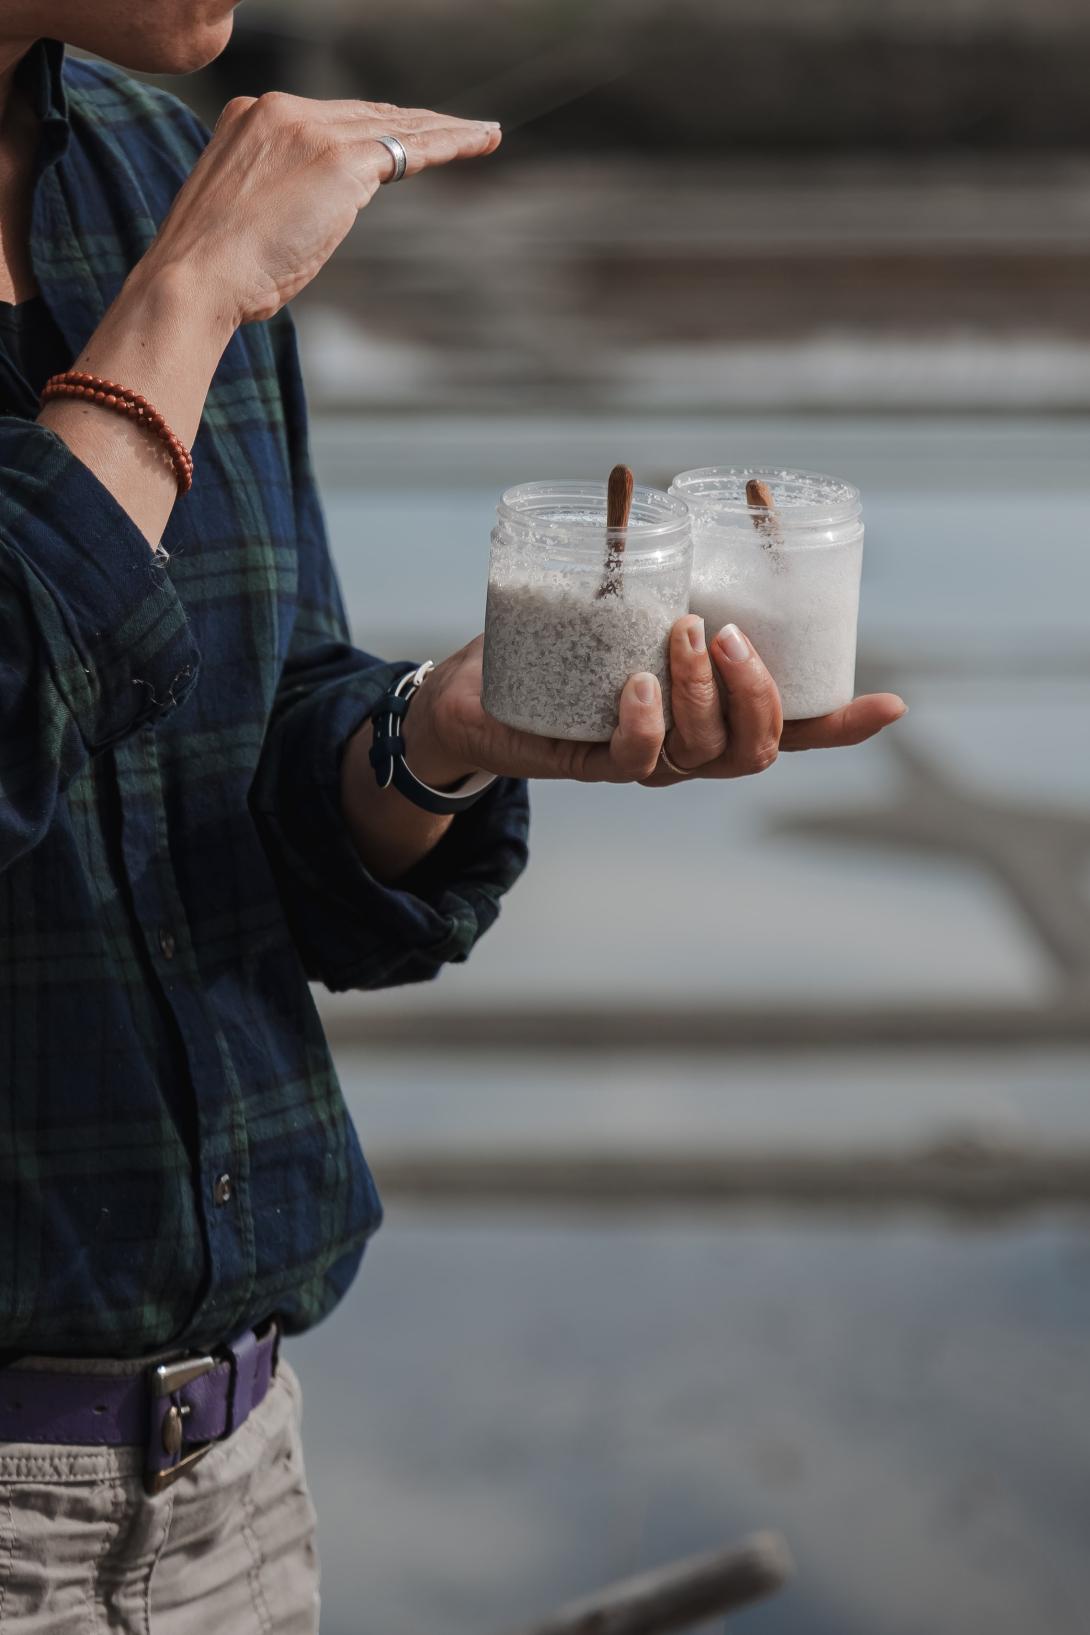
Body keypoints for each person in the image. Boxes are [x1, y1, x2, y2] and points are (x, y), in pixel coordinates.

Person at [0, 2, 906, 1629]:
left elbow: (248, 794)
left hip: (230, 1492)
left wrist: (442, 735)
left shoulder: (156, 171)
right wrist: (183, 297)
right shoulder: (201, 234)